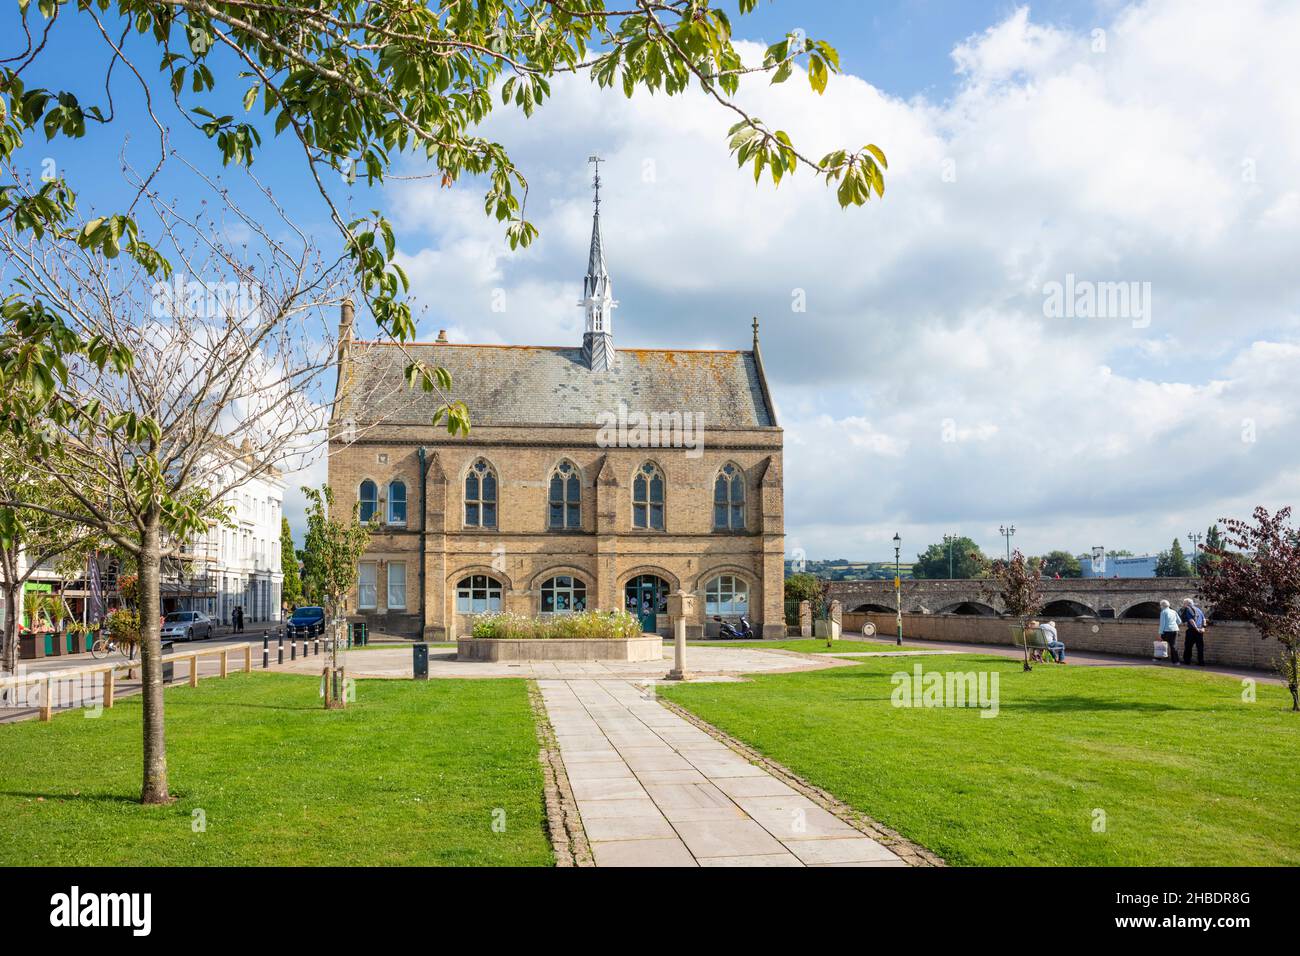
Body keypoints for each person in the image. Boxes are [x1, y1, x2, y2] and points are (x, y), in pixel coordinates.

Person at [1179, 597, 1207, 665]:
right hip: (1200, 630)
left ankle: (1187, 661)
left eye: (1184, 603)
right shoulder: (1198, 610)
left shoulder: (1188, 609)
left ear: (1187, 604)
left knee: (1188, 646)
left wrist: (1196, 628)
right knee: (1200, 647)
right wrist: (1203, 627)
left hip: (1192, 630)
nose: (1183, 605)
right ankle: (1201, 662)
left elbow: (1191, 620)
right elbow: (1204, 619)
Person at [1157, 599, 1180, 664]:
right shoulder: (1174, 611)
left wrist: (1160, 633)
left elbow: (1162, 624)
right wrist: (1173, 624)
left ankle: (1158, 658)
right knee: (1173, 646)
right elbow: (1179, 621)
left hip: (1166, 631)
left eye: (1160, 605)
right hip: (1175, 630)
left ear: (1162, 605)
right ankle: (1176, 661)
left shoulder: (1163, 612)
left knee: (1160, 643)